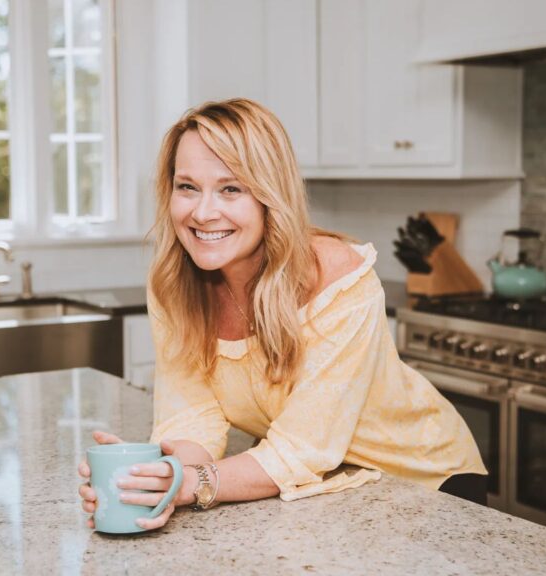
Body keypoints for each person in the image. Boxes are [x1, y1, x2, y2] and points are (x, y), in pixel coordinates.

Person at [78, 98, 486, 531]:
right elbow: (194, 417)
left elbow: (302, 448)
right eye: (187, 186)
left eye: (231, 188)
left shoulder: (338, 279)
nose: (202, 212)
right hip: (326, 492)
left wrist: (193, 485)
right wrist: (160, 477)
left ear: (270, 194)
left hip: (423, 482)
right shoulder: (175, 283)